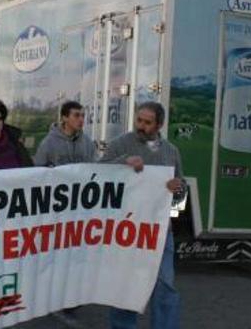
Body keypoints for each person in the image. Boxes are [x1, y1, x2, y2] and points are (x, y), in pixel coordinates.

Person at [101, 101, 185, 329]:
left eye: (147, 122)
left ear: (159, 124)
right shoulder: (120, 144)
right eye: (139, 120)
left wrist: (177, 189)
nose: (141, 125)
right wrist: (122, 163)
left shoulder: (171, 151)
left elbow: (181, 192)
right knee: (126, 284)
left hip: (159, 231)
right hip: (126, 229)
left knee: (165, 285)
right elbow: (98, 174)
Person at [34, 100, 96, 166]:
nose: (81, 119)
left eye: (83, 116)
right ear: (65, 118)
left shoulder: (88, 143)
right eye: (76, 115)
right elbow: (39, 169)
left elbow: (94, 167)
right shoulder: (49, 143)